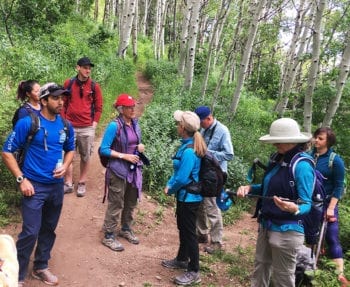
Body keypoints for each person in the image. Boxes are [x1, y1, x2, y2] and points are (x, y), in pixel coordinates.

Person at [2, 82, 75, 286]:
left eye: (63, 98)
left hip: (56, 187)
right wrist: (21, 179)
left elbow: (70, 149)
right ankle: (17, 274)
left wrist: (66, 165)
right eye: (56, 98)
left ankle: (41, 266)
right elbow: (7, 151)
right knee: (30, 231)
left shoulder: (65, 125)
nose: (61, 102)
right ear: (43, 100)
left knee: (49, 228)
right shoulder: (28, 123)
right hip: (33, 186)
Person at [236, 117, 314, 287]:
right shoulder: (277, 158)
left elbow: (307, 204)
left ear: (291, 141)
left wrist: (294, 208)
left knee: (283, 277)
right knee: (260, 267)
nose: (274, 144)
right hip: (266, 224)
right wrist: (249, 188)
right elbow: (267, 187)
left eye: (278, 141)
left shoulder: (302, 166)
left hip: (288, 231)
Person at [161, 110, 207, 286]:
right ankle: (181, 259)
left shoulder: (189, 151)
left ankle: (194, 270)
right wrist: (171, 184)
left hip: (189, 199)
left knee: (189, 233)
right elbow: (178, 172)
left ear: (183, 128)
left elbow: (182, 177)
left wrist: (170, 189)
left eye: (178, 124)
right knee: (184, 229)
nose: (176, 126)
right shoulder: (187, 145)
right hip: (185, 197)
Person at [99, 94, 145, 252]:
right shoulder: (114, 126)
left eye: (133, 106)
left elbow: (135, 142)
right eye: (129, 107)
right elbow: (103, 149)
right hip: (118, 170)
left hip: (133, 169)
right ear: (121, 109)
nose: (133, 109)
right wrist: (123, 155)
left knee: (131, 201)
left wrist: (139, 147)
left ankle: (126, 228)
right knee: (116, 202)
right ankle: (109, 235)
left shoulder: (135, 123)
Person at [311, 127, 349, 286]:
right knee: (310, 235)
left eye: (320, 139)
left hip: (327, 203)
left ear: (328, 142)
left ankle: (340, 274)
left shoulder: (336, 161)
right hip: (310, 202)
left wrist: (331, 208)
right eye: (315, 137)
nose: (316, 141)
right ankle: (309, 266)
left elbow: (339, 187)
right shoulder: (308, 157)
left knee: (332, 236)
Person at [194, 106, 234, 253]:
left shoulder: (222, 131)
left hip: (216, 176)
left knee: (211, 206)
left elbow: (229, 154)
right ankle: (202, 234)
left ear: (209, 118)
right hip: (204, 173)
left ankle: (217, 242)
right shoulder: (203, 130)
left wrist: (208, 154)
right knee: (200, 204)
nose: (199, 126)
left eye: (201, 122)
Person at [61, 56, 103, 197]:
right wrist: (64, 121)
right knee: (67, 154)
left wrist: (94, 125)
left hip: (86, 127)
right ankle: (68, 183)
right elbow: (63, 103)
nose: (88, 70)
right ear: (77, 67)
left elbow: (98, 107)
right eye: (85, 67)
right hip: (69, 126)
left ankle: (82, 183)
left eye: (89, 68)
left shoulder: (94, 86)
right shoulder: (68, 83)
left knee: (85, 156)